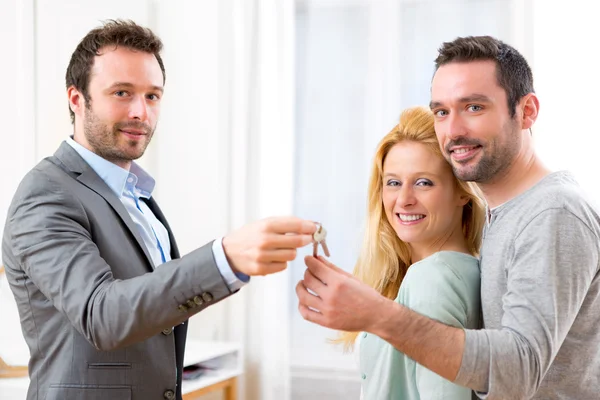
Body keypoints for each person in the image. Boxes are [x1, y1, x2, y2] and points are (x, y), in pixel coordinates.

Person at [2, 20, 316, 400]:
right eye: (122, 92)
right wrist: (225, 257)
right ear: (76, 99)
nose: (141, 112)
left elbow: (152, 308)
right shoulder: (46, 194)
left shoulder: (137, 195)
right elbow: (103, 315)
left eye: (152, 96)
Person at [296, 35, 600, 399]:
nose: (453, 130)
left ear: (527, 111)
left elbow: (519, 369)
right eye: (441, 111)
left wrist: (377, 314)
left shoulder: (553, 212)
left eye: (474, 107)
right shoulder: (505, 215)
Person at [333, 106, 486, 399]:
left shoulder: (433, 278)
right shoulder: (461, 271)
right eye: (393, 183)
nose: (403, 200)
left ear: (463, 191)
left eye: (423, 182)